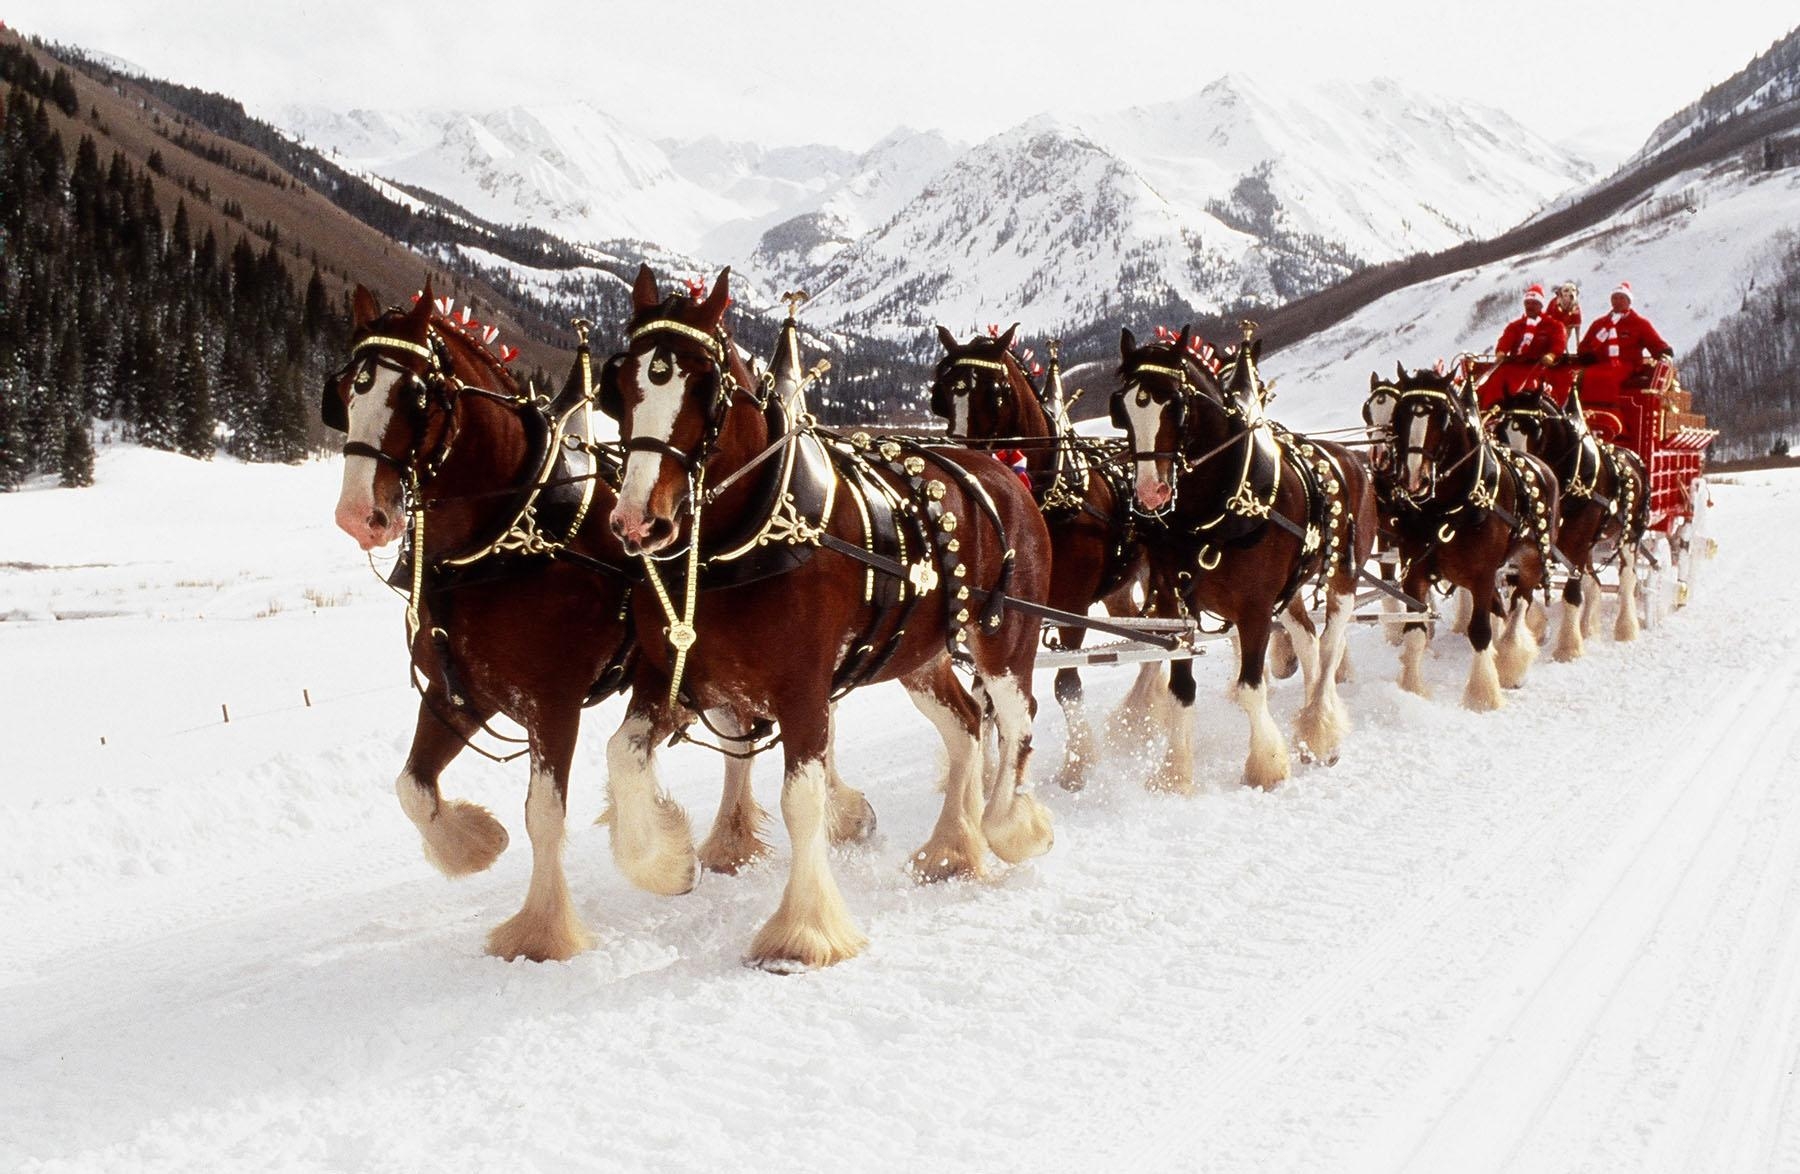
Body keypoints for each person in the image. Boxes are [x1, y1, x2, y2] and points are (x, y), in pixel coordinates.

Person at [1577, 281, 1673, 405]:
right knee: (1588, 375)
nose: (1617, 301)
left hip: (1627, 366)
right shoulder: (1599, 324)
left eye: (1621, 298)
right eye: (1615, 298)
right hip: (1601, 364)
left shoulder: (1639, 323)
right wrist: (1586, 355)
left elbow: (1655, 343)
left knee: (1607, 377)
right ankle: (1587, 408)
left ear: (1628, 301)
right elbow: (1585, 346)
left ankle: (1609, 409)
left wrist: (1663, 351)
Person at [1479, 283, 1569, 408]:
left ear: (1541, 305)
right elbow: (1505, 340)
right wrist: (1501, 352)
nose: (1530, 306)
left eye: (1534, 303)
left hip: (1538, 366)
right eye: (1527, 303)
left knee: (1529, 385)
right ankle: (1489, 411)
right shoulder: (1516, 326)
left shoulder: (1553, 326)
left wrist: (1551, 355)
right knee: (1495, 380)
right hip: (1513, 366)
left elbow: (1559, 343)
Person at [1546, 281, 1581, 352]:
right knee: (1561, 334)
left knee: (1569, 332)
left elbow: (1577, 326)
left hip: (1571, 312)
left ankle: (1577, 348)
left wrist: (1578, 342)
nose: (1571, 294)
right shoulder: (1554, 306)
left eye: (1573, 290)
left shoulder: (1576, 309)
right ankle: (1563, 350)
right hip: (1558, 316)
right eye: (1566, 291)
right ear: (1560, 295)